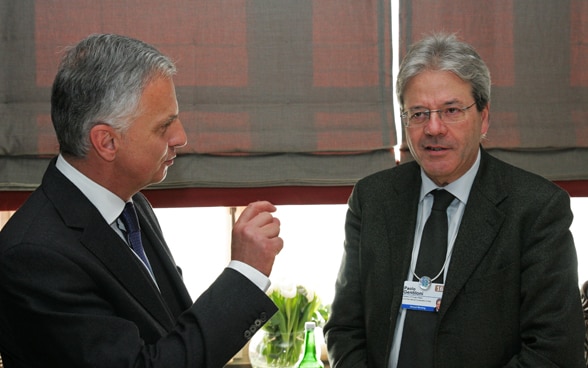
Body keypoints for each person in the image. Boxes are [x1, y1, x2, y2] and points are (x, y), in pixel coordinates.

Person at [0, 34, 284, 367]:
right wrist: (245, 275)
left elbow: (172, 332)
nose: (181, 137)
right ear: (106, 142)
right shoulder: (34, 255)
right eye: (164, 126)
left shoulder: (131, 205)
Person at [323, 33, 585, 367]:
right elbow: (345, 328)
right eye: (418, 113)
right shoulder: (372, 199)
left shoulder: (536, 208)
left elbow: (554, 350)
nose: (434, 128)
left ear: (484, 117)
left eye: (451, 110)